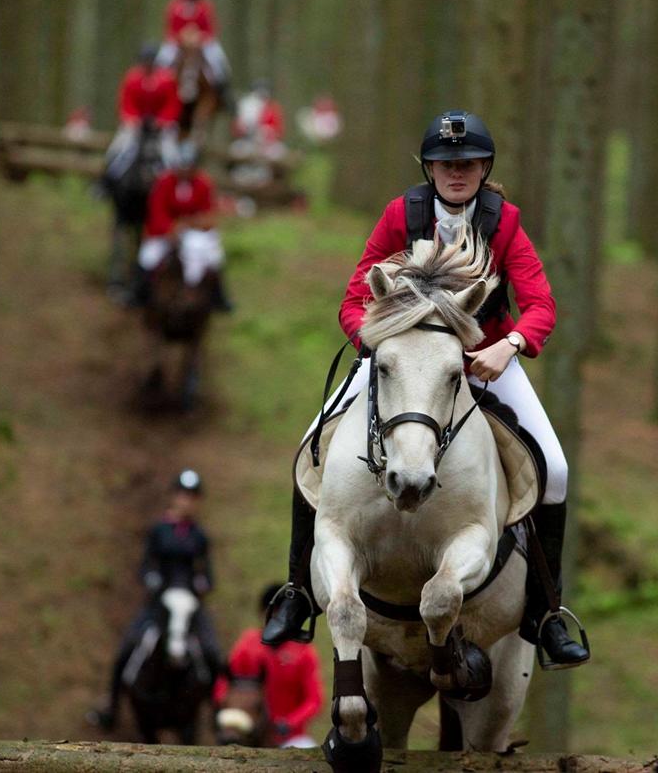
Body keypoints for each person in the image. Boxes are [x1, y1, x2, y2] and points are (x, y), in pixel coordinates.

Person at [262, 110, 590, 669]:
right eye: (444, 164)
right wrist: (376, 344)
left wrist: (505, 347)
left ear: (484, 167)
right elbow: (352, 299)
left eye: (466, 164)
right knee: (310, 444)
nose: (455, 173)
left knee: (554, 467)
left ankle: (546, 610)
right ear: (429, 170)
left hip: (482, 359)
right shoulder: (402, 213)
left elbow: (541, 307)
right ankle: (297, 594)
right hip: (402, 357)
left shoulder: (503, 221)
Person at [88, 469, 225, 730]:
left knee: (212, 652)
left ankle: (216, 714)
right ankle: (111, 708)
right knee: (127, 650)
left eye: (193, 496)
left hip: (191, 604)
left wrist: (203, 583)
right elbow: (145, 565)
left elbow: (207, 573)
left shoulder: (200, 536)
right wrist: (151, 578)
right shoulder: (158, 530)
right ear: (175, 496)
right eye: (184, 494)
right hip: (159, 603)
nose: (187, 501)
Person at [213, 583, 324, 747]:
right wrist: (226, 704)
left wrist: (289, 723)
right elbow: (225, 682)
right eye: (272, 613)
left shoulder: (304, 653)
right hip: (248, 733)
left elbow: (314, 700)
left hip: (288, 737)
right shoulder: (248, 644)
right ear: (263, 613)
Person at [133, 141, 233, 311]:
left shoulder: (203, 184)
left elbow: (208, 214)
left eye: (189, 167)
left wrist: (189, 225)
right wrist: (170, 229)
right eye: (182, 167)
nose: (185, 171)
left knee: (214, 258)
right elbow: (156, 211)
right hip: (165, 231)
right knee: (148, 257)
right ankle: (138, 295)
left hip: (194, 233)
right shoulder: (164, 182)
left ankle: (219, 298)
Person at [102, 44, 182, 184]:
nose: (147, 65)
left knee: (169, 150)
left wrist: (162, 121)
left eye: (150, 61)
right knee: (121, 145)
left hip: (161, 126)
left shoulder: (167, 80)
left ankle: (174, 180)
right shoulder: (132, 78)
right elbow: (126, 102)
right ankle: (108, 179)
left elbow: (172, 104)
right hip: (136, 124)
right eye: (145, 61)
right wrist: (133, 119)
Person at [155, 0, 232, 89]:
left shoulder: (205, 5)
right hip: (178, 42)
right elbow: (169, 29)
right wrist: (181, 38)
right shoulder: (175, 5)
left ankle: (222, 87)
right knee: (163, 59)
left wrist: (199, 37)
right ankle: (159, 83)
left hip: (202, 42)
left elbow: (211, 29)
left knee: (216, 57)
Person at [230, 80, 286, 160]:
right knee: (236, 150)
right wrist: (243, 129)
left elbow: (280, 131)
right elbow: (236, 129)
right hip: (248, 142)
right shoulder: (246, 106)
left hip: (268, 145)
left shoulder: (273, 108)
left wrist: (267, 132)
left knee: (278, 153)